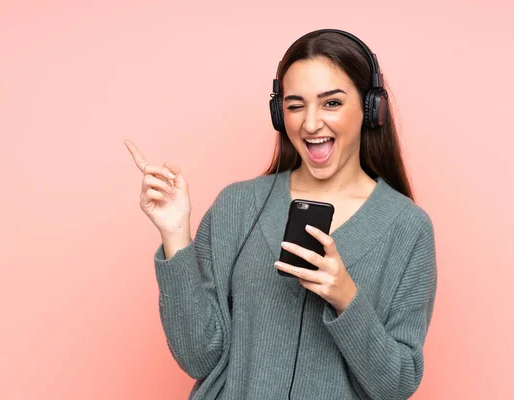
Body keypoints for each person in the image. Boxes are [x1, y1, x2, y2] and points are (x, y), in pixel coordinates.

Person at [125, 29, 437, 400]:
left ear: (371, 109)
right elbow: (199, 358)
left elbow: (396, 385)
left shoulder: (407, 227)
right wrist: (175, 235)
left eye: (331, 103)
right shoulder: (237, 206)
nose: (310, 123)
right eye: (295, 105)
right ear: (279, 113)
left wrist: (346, 297)